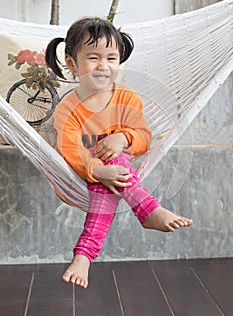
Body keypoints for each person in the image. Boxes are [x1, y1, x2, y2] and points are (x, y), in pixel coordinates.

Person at [45, 17, 193, 289]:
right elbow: (69, 148)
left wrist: (124, 137)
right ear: (72, 64)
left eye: (111, 58)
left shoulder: (127, 99)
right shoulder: (68, 108)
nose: (103, 66)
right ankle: (148, 210)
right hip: (76, 177)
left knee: (117, 161)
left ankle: (84, 256)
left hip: (117, 178)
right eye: (93, 58)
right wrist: (97, 169)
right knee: (111, 165)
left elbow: (143, 139)